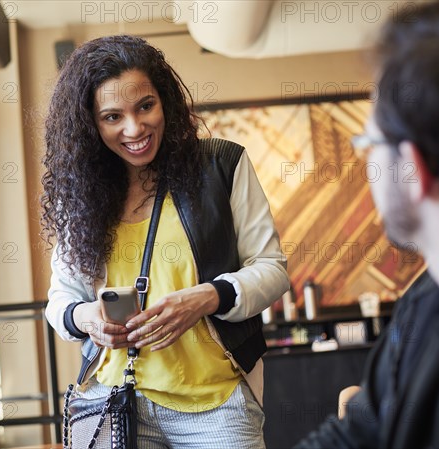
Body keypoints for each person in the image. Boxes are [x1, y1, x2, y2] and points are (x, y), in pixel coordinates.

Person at [41, 34, 290, 448]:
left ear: (165, 101)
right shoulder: (81, 193)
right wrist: (88, 319)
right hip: (114, 400)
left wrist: (207, 297)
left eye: (145, 106)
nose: (135, 128)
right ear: (90, 123)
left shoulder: (222, 165)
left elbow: (271, 269)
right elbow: (60, 300)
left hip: (216, 405)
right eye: (112, 117)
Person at [295, 1, 439, 448]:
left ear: (413, 169)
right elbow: (359, 430)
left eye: (370, 142)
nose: (366, 161)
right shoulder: (426, 303)